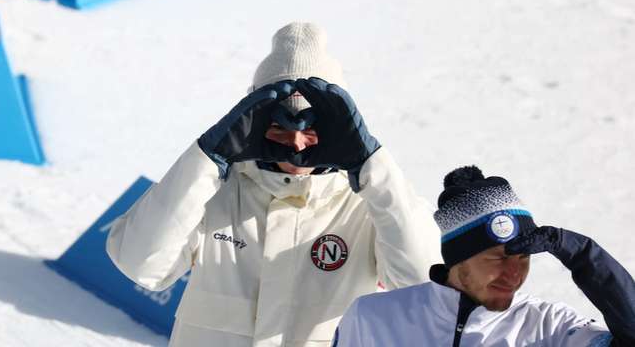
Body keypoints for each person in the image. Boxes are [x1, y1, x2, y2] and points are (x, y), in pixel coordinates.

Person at [107, 22, 440, 346]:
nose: (296, 144)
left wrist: (372, 166)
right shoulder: (215, 190)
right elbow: (142, 265)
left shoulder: (372, 201)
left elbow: (424, 285)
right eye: (279, 126)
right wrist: (206, 159)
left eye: (312, 128)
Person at [334, 165, 635, 346]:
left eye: (523, 258)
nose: (514, 274)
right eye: (497, 258)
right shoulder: (373, 317)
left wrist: (584, 254)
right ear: (459, 259)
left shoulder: (548, 326)